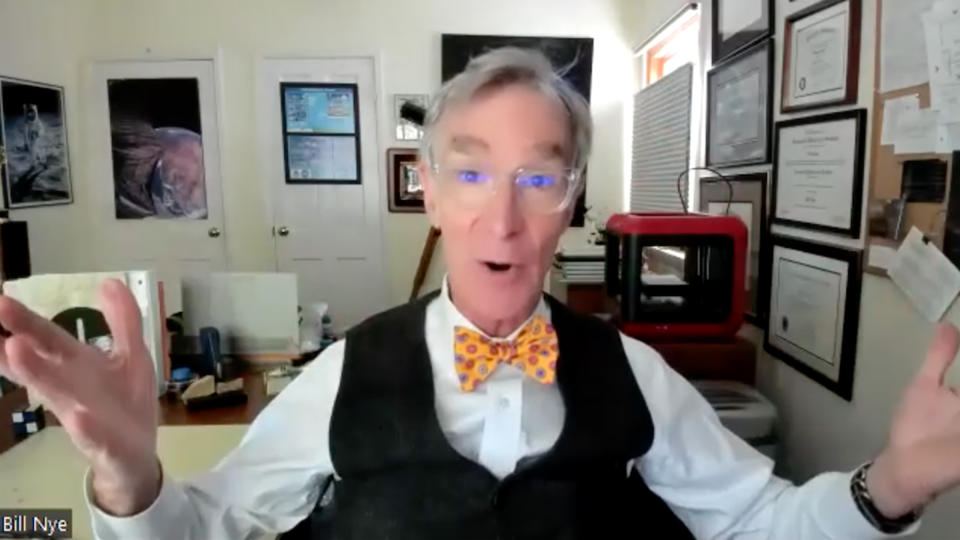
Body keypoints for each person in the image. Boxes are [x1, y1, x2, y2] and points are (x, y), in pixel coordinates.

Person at [1, 47, 958, 540]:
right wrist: (130, 478)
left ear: (570, 203)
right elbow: (213, 529)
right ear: (428, 194)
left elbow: (760, 524)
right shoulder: (346, 372)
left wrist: (892, 486)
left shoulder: (634, 372)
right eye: (471, 175)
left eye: (539, 180)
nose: (503, 217)